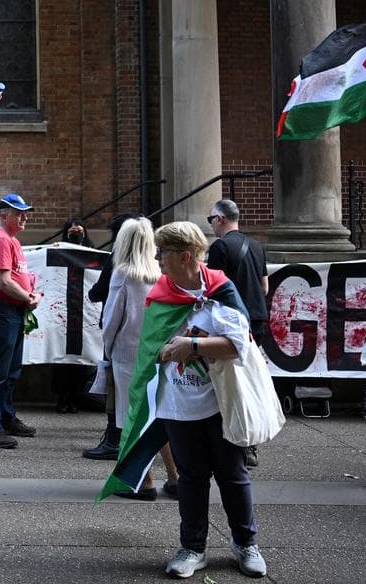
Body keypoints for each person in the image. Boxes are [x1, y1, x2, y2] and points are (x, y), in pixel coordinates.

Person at [150, 221, 265, 579]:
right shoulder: (159, 293)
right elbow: (148, 350)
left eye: (164, 253)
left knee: (233, 475)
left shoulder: (221, 288)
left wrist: (192, 345)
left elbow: (240, 344)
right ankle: (192, 548)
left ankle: (246, 544)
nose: (159, 260)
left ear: (185, 256)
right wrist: (164, 351)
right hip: (179, 405)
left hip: (220, 402)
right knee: (191, 478)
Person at [99, 217, 179, 500]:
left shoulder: (123, 274)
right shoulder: (161, 275)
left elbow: (111, 320)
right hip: (156, 354)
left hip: (126, 352)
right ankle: (175, 476)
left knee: (130, 417)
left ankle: (143, 481)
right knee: (157, 417)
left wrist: (106, 350)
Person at [206, 199, 269, 467]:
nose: (211, 226)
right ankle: (249, 445)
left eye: (211, 220)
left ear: (220, 219)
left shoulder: (220, 247)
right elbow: (264, 287)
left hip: (232, 324)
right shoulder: (256, 246)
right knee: (249, 383)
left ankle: (228, 441)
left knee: (226, 384)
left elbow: (212, 289)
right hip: (257, 321)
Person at [0, 193, 41, 448]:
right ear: (5, 216)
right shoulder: (3, 240)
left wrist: (28, 291)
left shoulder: (9, 240)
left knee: (10, 371)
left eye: (25, 212)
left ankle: (4, 419)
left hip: (8, 311)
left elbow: (11, 277)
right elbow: (4, 282)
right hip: (2, 310)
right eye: (19, 213)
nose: (24, 217)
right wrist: (28, 296)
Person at [82, 212, 136, 458]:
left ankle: (113, 439)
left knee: (114, 389)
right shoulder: (151, 260)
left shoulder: (120, 261)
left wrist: (108, 339)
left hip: (120, 337)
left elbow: (101, 291)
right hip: (142, 336)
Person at [51, 219, 90, 413]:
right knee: (61, 360)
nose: (75, 233)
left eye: (79, 230)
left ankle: (75, 397)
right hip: (62, 313)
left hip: (82, 314)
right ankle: (62, 397)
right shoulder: (58, 251)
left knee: (80, 360)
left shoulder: (92, 253)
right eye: (72, 231)